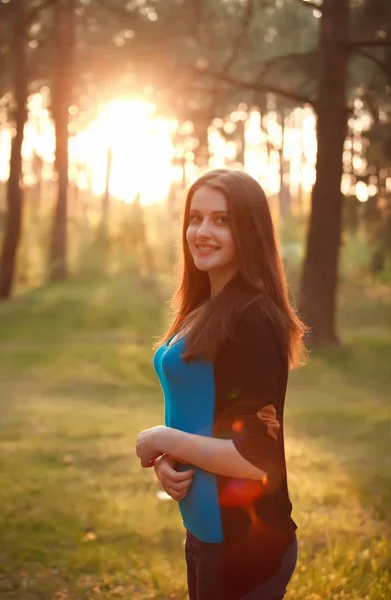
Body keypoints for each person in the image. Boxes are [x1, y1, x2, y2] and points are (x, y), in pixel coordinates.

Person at [135, 168, 307, 600]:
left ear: (248, 230)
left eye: (221, 220)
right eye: (195, 217)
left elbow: (256, 457)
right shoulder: (207, 307)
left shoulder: (251, 318)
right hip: (207, 535)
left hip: (245, 544)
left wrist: (161, 438)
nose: (202, 231)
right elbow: (202, 415)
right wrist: (168, 457)